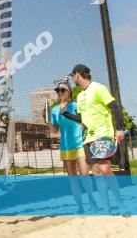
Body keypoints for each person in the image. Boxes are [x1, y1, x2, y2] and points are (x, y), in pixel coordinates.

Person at [68, 64, 126, 212]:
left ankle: (120, 203)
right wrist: (65, 114)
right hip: (87, 138)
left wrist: (119, 129)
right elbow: (82, 117)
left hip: (102, 134)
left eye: (72, 75)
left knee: (105, 168)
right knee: (96, 172)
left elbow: (114, 107)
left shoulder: (98, 88)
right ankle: (107, 208)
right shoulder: (80, 96)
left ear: (77, 75)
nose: (73, 78)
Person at [50, 81, 97, 213]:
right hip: (65, 147)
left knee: (84, 175)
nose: (60, 93)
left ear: (69, 91)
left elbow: (85, 120)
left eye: (63, 90)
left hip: (79, 145)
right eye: (58, 91)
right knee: (72, 179)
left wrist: (84, 125)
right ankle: (80, 206)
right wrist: (49, 122)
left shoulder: (76, 106)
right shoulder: (54, 110)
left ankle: (92, 202)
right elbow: (54, 130)